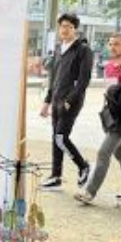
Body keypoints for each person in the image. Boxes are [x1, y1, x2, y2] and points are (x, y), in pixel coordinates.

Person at [74, 33, 121, 204]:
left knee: (103, 153)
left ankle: (89, 192)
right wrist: (106, 112)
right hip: (110, 117)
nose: (113, 47)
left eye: (117, 44)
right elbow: (109, 92)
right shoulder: (108, 66)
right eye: (110, 44)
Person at [39, 13, 93, 190]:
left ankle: (83, 165)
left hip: (71, 101)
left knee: (61, 137)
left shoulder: (83, 50)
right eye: (62, 26)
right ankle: (56, 176)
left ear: (75, 29)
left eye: (69, 26)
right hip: (56, 100)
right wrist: (47, 102)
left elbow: (84, 80)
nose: (64, 29)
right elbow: (54, 78)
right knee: (56, 137)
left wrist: (70, 100)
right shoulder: (58, 48)